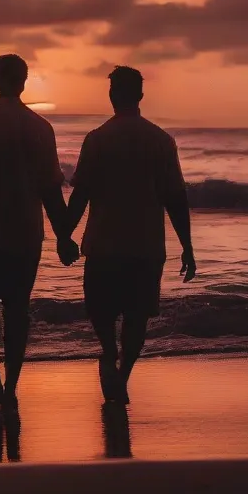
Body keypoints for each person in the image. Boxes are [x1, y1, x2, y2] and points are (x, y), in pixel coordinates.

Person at [0, 53, 79, 408]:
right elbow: (51, 190)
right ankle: (11, 385)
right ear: (23, 82)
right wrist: (65, 237)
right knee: (18, 309)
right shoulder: (40, 127)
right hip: (25, 232)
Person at [65, 65, 196, 404]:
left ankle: (109, 355)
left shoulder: (97, 139)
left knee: (102, 312)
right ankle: (122, 375)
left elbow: (80, 195)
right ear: (139, 95)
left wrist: (64, 235)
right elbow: (175, 198)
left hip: (104, 244)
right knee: (137, 317)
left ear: (112, 95)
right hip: (146, 247)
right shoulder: (161, 141)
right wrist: (187, 247)